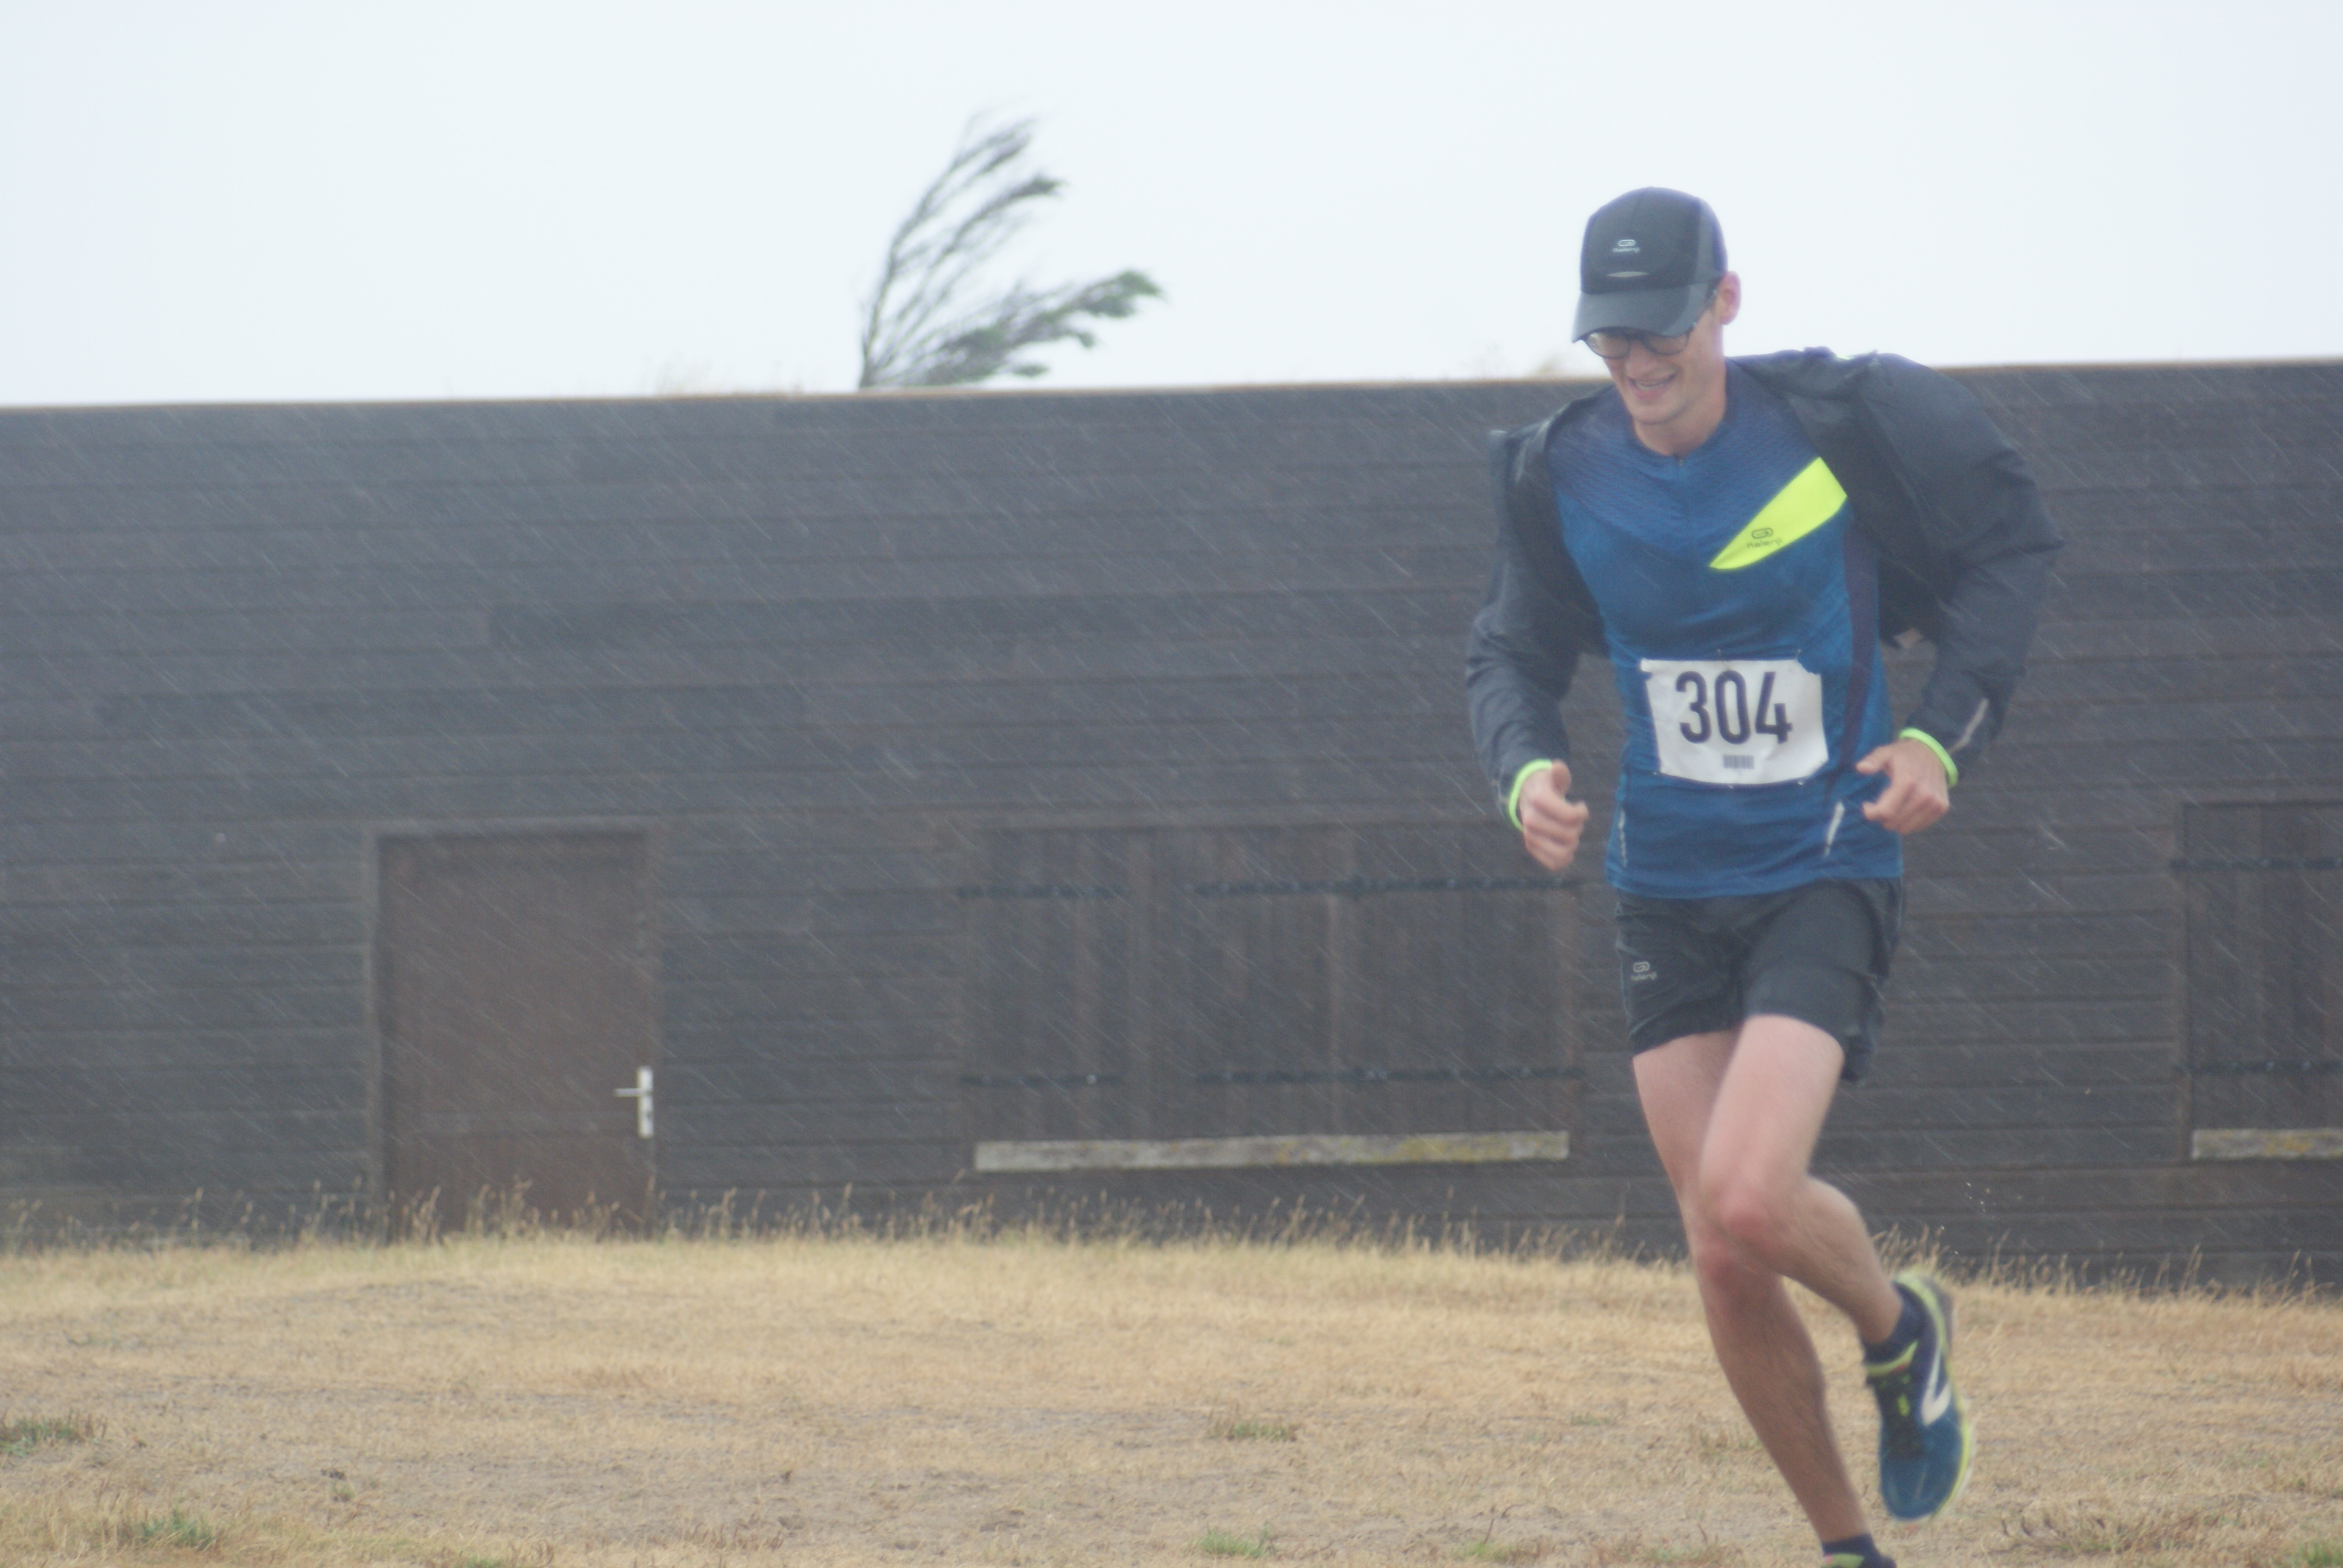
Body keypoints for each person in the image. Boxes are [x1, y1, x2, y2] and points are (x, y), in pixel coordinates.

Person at [1466, 188, 2060, 1568]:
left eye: (1661, 329)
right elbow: (1508, 650)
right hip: (1666, 882)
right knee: (1724, 1252)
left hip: (1821, 857)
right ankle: (1847, 1548)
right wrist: (1524, 768)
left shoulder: (1848, 424)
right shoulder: (1559, 471)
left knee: (1745, 1191)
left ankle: (1900, 1331)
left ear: (1726, 301)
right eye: (1611, 338)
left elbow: (2011, 547)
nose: (1638, 362)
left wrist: (1940, 736)